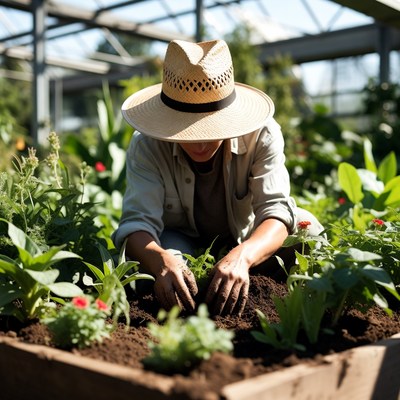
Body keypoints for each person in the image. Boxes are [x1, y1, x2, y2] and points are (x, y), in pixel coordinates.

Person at [112, 39, 323, 316]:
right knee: (149, 263)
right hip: (177, 242)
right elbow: (138, 223)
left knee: (311, 235)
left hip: (244, 240)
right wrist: (161, 261)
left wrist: (243, 257)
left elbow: (276, 211)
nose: (200, 145)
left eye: (210, 130)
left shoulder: (262, 134)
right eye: (186, 131)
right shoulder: (148, 145)